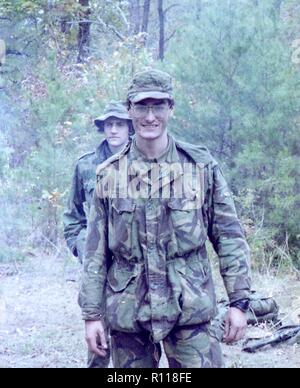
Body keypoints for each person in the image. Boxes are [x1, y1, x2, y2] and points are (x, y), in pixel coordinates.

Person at [79, 69, 251, 368]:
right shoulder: (109, 174)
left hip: (190, 309)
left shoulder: (200, 167)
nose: (149, 116)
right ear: (129, 109)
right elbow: (95, 252)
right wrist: (92, 315)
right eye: (141, 106)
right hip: (128, 311)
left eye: (158, 105)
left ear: (170, 109)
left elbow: (229, 237)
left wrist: (239, 302)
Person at [63, 101, 133, 368]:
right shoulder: (85, 165)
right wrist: (83, 248)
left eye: (119, 124)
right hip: (98, 268)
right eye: (108, 125)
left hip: (131, 264)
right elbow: (72, 217)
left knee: (133, 337)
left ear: (129, 128)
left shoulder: (142, 162)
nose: (113, 130)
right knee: (98, 337)